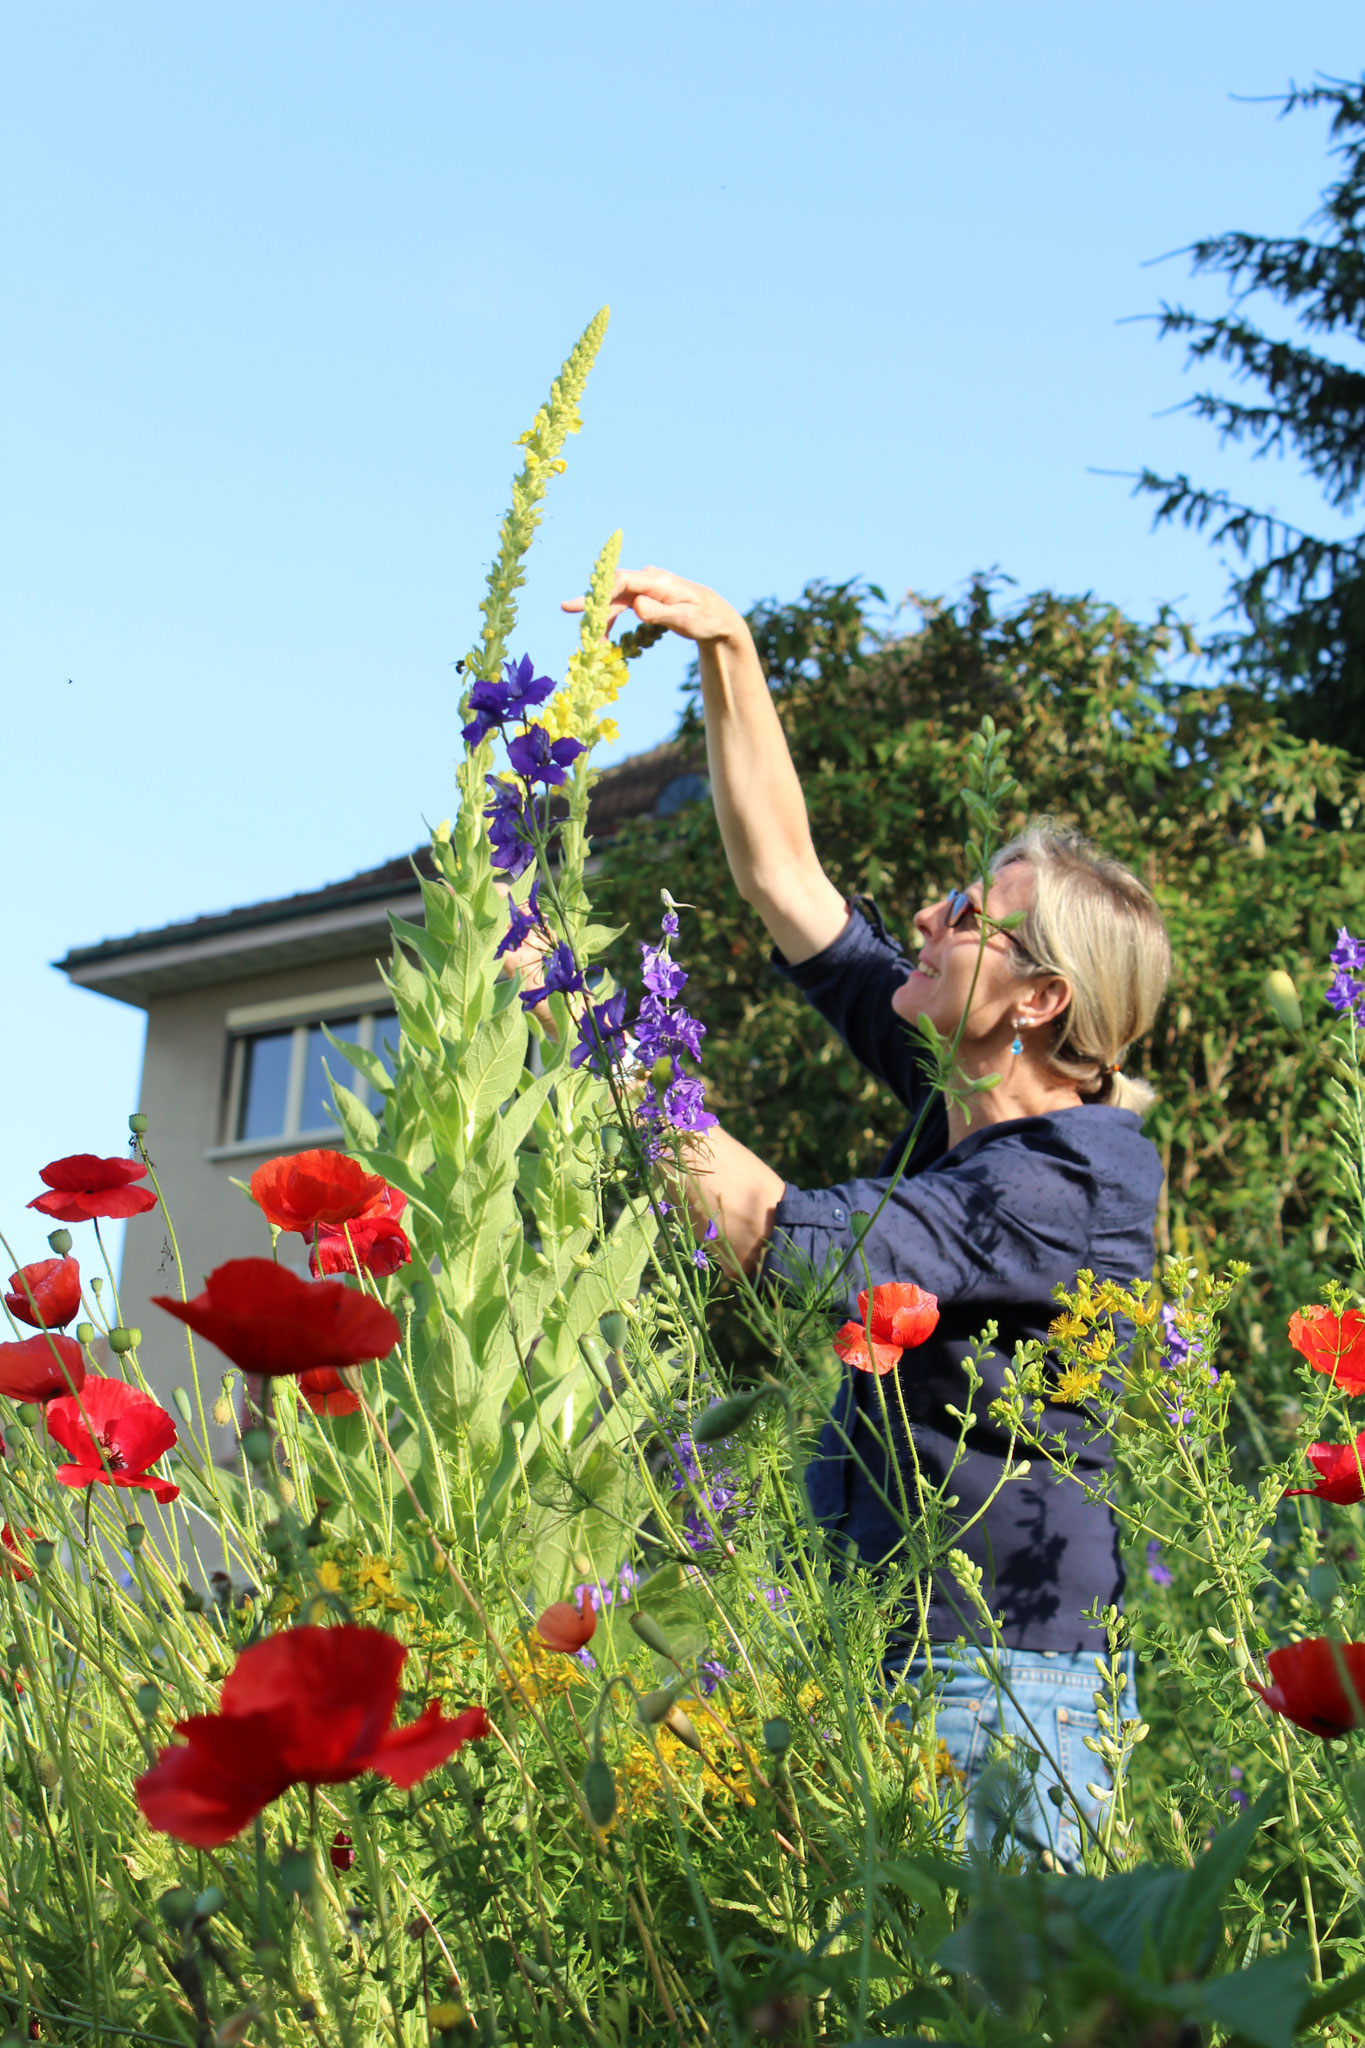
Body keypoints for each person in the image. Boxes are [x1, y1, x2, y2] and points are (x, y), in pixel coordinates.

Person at [565, 566, 1172, 1862]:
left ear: (1036, 1001)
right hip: (887, 1645)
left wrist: (591, 1025)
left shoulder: (1071, 1177)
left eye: (965, 919)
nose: (927, 919)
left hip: (1005, 1683)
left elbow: (776, 1240)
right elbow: (784, 877)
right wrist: (728, 645)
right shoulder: (961, 1089)